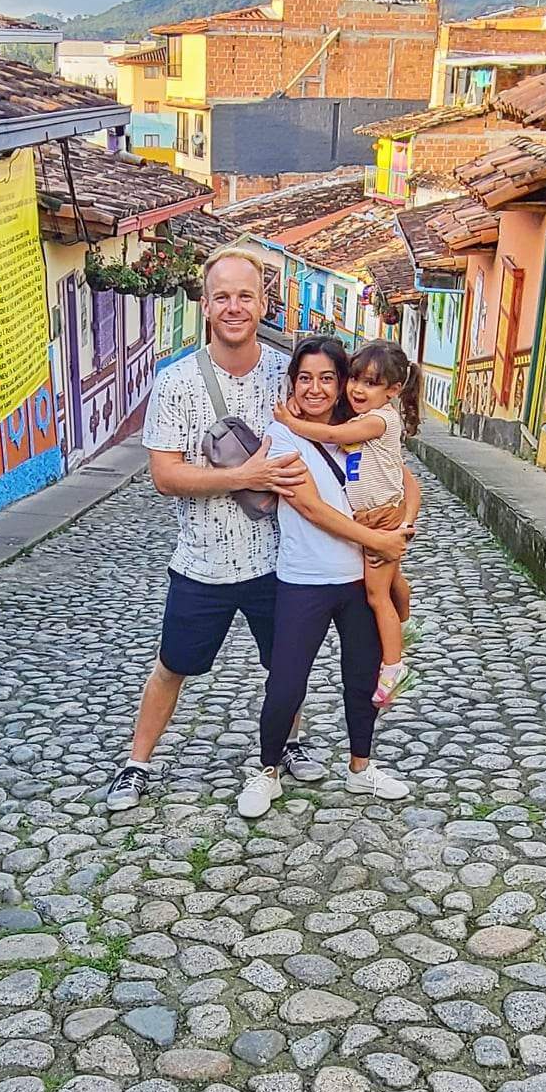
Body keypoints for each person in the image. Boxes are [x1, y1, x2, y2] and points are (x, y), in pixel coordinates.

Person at [105, 246, 314, 812]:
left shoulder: (289, 377)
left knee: (286, 662)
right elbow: (165, 475)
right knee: (173, 663)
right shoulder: (175, 383)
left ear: (264, 303)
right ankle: (136, 762)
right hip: (203, 560)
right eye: (222, 295)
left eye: (245, 295)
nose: (234, 306)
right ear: (205, 304)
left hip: (281, 557)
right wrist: (243, 475)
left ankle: (291, 742)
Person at [239, 337, 416, 821]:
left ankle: (361, 768)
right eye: (305, 377)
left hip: (358, 581)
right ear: (293, 382)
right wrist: (377, 541)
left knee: (361, 679)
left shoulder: (359, 431)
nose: (315, 388)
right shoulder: (284, 439)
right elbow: (312, 508)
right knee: (286, 684)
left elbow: (406, 481)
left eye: (327, 378)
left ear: (342, 383)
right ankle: (268, 771)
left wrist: (405, 526)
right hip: (305, 579)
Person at [275, 338, 420, 706]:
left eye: (370, 383)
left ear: (392, 391)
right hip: (376, 523)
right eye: (355, 379)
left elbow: (334, 436)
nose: (358, 388)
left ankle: (394, 663)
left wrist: (293, 422)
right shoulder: (364, 420)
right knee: (392, 583)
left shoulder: (376, 421)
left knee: (376, 595)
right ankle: (406, 625)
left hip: (380, 522)